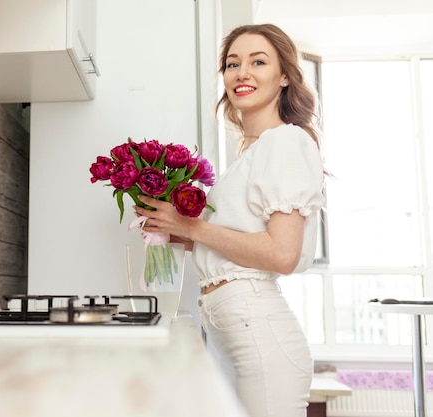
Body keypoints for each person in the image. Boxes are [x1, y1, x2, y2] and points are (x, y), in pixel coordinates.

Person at [135, 23, 325, 417]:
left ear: (284, 75)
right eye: (233, 63)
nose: (242, 72)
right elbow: (237, 245)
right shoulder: (252, 152)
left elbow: (281, 254)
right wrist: (171, 229)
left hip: (259, 333)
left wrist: (189, 227)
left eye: (259, 61)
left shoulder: (286, 142)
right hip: (233, 328)